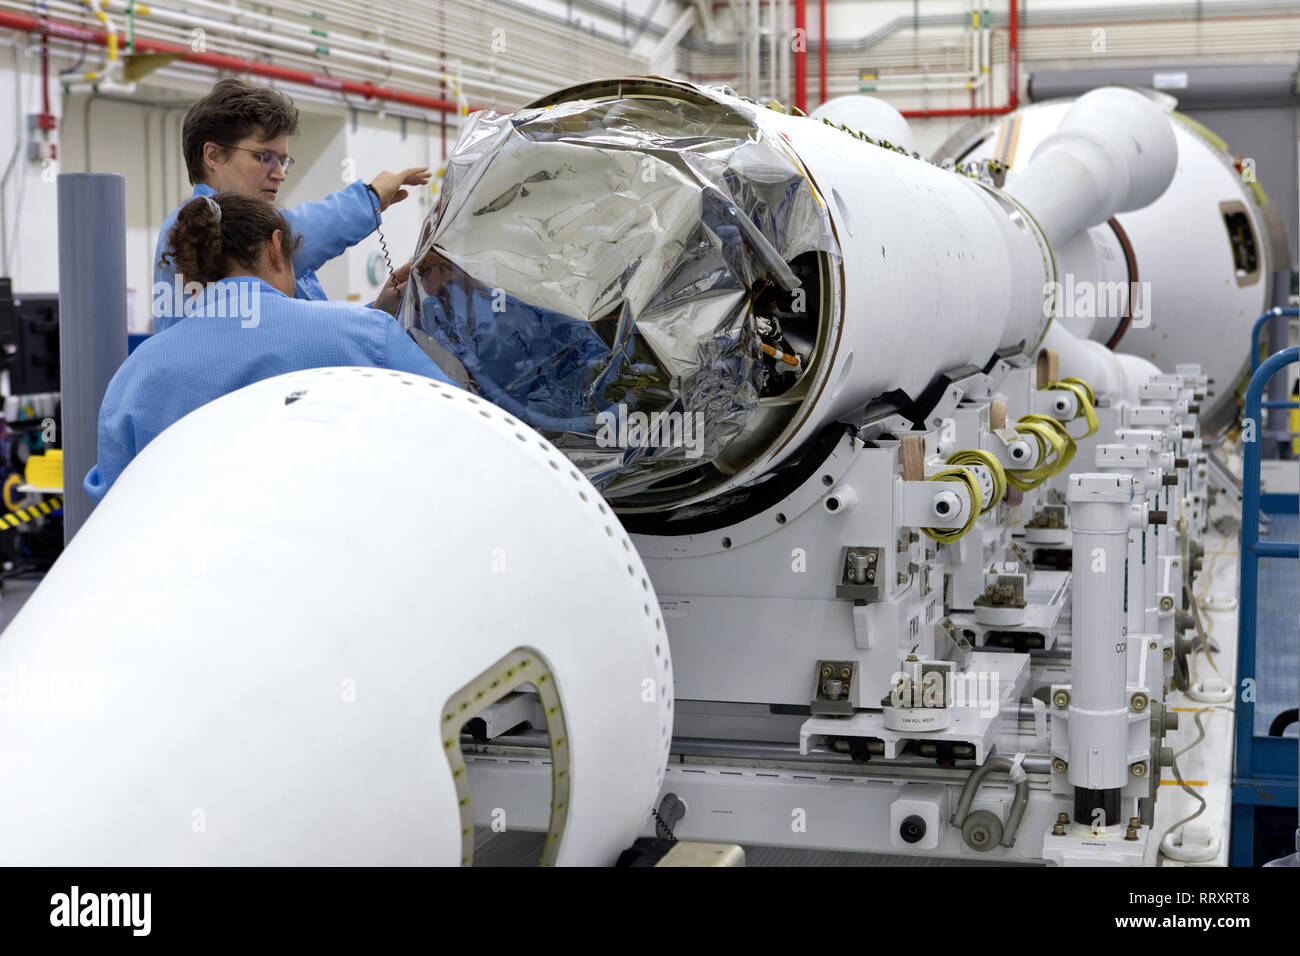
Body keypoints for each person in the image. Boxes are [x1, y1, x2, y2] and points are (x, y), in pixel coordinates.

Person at [87, 193, 453, 502]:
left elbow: (111, 509)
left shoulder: (137, 374)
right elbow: (458, 427)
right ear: (277, 248)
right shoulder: (369, 335)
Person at [152, 77, 429, 330]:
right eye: (265, 157)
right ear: (213, 155)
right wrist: (369, 196)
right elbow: (301, 230)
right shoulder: (193, 229)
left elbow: (307, 333)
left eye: (283, 160)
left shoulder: (271, 244)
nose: (280, 173)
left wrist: (379, 310)